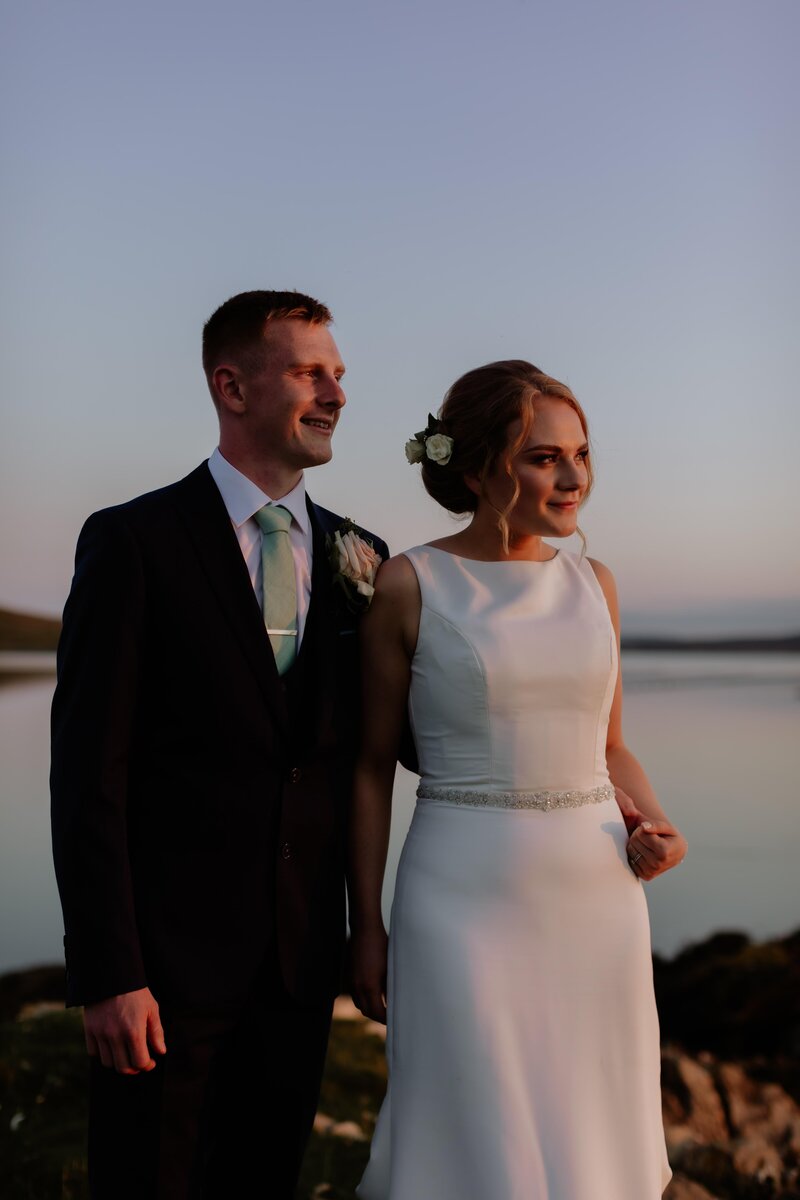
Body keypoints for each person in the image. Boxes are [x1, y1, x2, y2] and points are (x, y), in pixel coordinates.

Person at [50, 289, 388, 1199]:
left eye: (340, 374)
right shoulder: (133, 542)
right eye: (309, 372)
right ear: (231, 387)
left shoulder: (364, 556)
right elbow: (89, 775)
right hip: (162, 975)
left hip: (299, 966)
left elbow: (381, 750)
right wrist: (109, 973)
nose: (337, 394)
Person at [349, 360, 687, 1199]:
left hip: (597, 899)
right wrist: (366, 923)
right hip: (458, 898)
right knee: (474, 1136)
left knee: (591, 1138)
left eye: (579, 454)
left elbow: (608, 748)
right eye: (543, 457)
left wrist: (657, 823)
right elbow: (367, 768)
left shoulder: (594, 584)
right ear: (475, 469)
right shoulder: (409, 583)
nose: (574, 478)